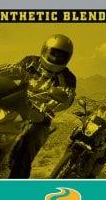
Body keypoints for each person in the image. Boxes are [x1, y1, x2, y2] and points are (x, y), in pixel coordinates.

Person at [6, 35, 76, 178]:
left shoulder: (68, 78)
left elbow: (67, 100)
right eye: (53, 53)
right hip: (14, 107)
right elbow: (11, 74)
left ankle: (16, 185)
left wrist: (48, 106)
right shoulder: (29, 62)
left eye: (61, 56)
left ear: (68, 57)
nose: (56, 58)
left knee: (26, 146)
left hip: (39, 119)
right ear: (45, 50)